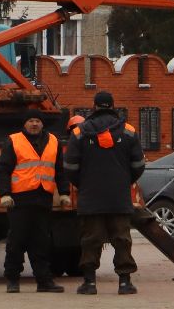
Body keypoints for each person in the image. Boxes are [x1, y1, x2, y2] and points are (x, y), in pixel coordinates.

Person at [64, 91, 145, 296]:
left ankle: (89, 283)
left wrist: (84, 184)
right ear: (112, 106)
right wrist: (124, 181)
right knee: (122, 238)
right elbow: (138, 164)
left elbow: (70, 167)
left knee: (91, 239)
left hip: (90, 197)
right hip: (118, 196)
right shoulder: (128, 131)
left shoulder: (78, 133)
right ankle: (125, 283)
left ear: (94, 106)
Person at [0, 113, 69, 294]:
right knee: (17, 241)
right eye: (31, 121)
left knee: (42, 242)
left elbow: (60, 169)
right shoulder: (14, 140)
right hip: (19, 200)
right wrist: (5, 194)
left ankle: (44, 281)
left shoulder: (53, 141)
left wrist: (64, 193)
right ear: (25, 123)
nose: (34, 124)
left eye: (37, 121)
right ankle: (12, 279)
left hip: (43, 198)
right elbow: (3, 169)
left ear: (42, 124)